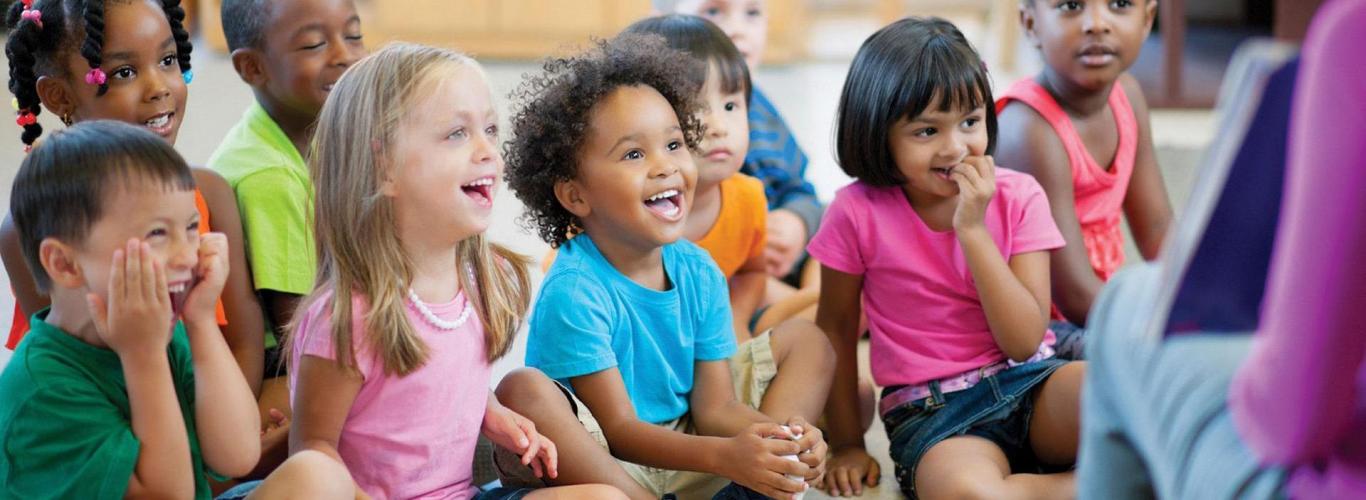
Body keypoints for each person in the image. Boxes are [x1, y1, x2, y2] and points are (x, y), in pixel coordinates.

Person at [493, 33, 833, 500]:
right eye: (634, 154)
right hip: (610, 464)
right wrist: (724, 457)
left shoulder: (698, 270)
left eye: (674, 145)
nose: (665, 167)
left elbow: (715, 408)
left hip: (690, 444)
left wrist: (774, 439)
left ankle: (763, 477)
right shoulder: (576, 290)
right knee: (523, 389)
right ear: (575, 195)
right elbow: (620, 429)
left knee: (808, 341)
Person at [286, 43, 624, 500]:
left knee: (603, 499)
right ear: (384, 166)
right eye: (457, 134)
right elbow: (312, 452)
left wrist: (491, 413)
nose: (488, 150)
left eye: (488, 129)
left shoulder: (483, 283)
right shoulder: (347, 317)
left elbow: (442, 382)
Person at [0, 121, 354, 500]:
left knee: (318, 475)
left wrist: (201, 322)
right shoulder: (43, 389)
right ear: (65, 264)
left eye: (191, 227)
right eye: (156, 234)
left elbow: (238, 454)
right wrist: (143, 356)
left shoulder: (164, 333)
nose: (187, 255)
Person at [812, 17, 1083, 499]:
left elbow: (1023, 342)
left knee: (1128, 401)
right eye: (926, 131)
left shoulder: (1019, 196)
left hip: (1030, 380)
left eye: (970, 122)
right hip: (935, 416)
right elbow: (833, 328)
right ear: (878, 132)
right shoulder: (854, 212)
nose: (955, 147)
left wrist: (973, 230)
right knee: (971, 494)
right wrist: (849, 444)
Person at [995, 0, 1174, 357]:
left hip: (1095, 305)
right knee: (1148, 360)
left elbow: (1157, 230)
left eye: (1120, 4)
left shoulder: (1128, 97)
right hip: (1036, 329)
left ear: (1147, 18)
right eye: (1072, 6)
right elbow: (1073, 294)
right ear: (1031, 24)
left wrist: (1199, 298)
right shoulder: (1029, 130)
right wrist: (1162, 324)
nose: (1097, 23)